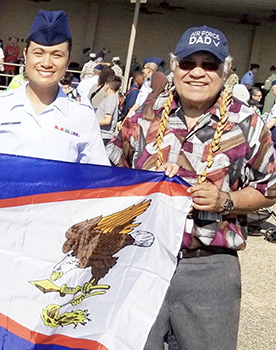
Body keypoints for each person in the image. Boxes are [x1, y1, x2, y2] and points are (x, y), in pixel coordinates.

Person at [107, 25, 276, 350]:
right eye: (188, 63)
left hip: (209, 269)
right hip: (143, 260)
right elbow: (112, 173)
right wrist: (146, 184)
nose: (197, 72)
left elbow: (270, 188)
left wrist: (224, 200)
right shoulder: (143, 116)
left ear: (226, 70)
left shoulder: (247, 124)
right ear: (174, 66)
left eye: (209, 64)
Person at [0, 10, 108, 166]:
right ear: (25, 55)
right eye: (38, 53)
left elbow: (99, 182)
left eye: (57, 55)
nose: (46, 63)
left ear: (69, 59)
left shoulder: (83, 117)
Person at [95, 75, 121, 145]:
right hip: (102, 135)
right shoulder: (111, 99)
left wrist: (93, 122)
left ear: (107, 85)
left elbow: (107, 120)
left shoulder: (110, 100)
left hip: (104, 135)